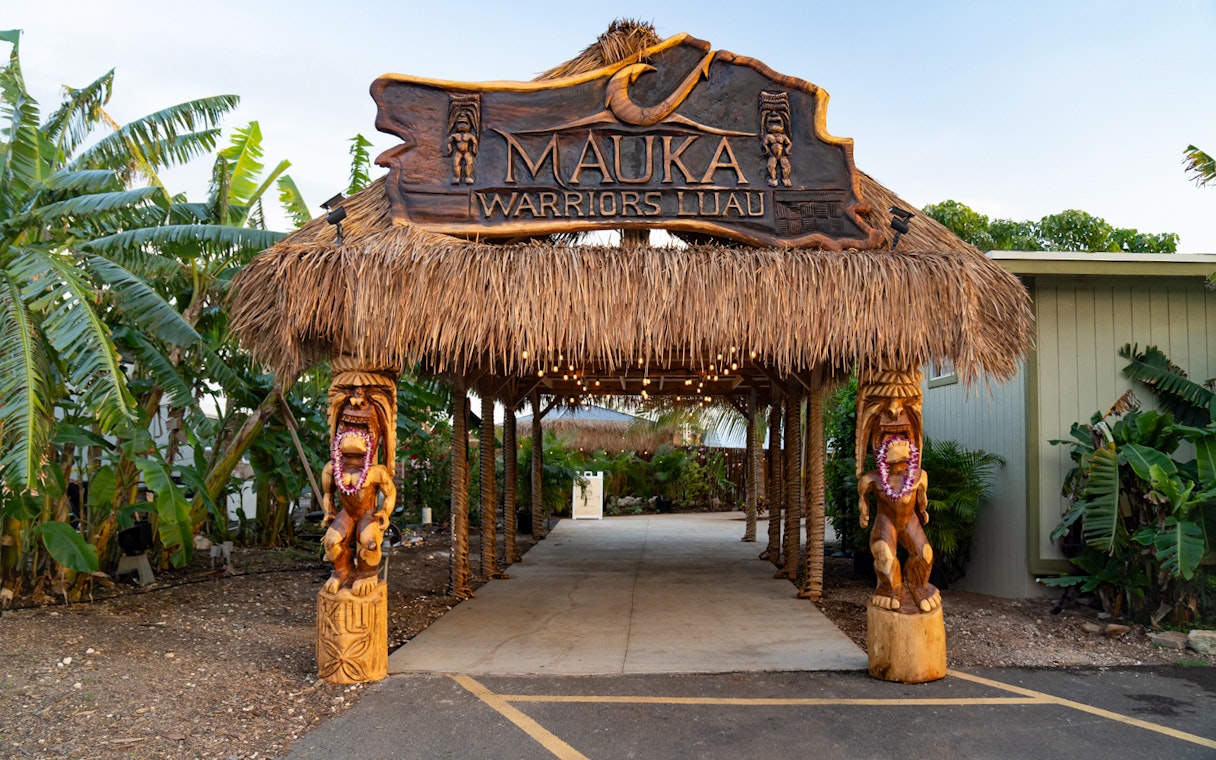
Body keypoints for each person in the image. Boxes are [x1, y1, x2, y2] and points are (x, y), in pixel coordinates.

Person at [857, 435, 940, 613]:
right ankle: (889, 588)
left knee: (925, 555)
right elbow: (862, 497)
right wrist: (864, 512)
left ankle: (916, 586)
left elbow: (921, 498)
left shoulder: (919, 476)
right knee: (885, 558)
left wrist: (923, 511)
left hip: (909, 521)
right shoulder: (872, 478)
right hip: (885, 521)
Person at [320, 431, 395, 595]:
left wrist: (385, 512)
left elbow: (390, 493)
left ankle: (367, 574)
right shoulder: (332, 469)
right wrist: (329, 511)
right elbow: (328, 494)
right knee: (331, 543)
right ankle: (342, 572)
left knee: (371, 545)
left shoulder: (376, 471)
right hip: (346, 513)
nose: (352, 438)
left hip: (367, 514)